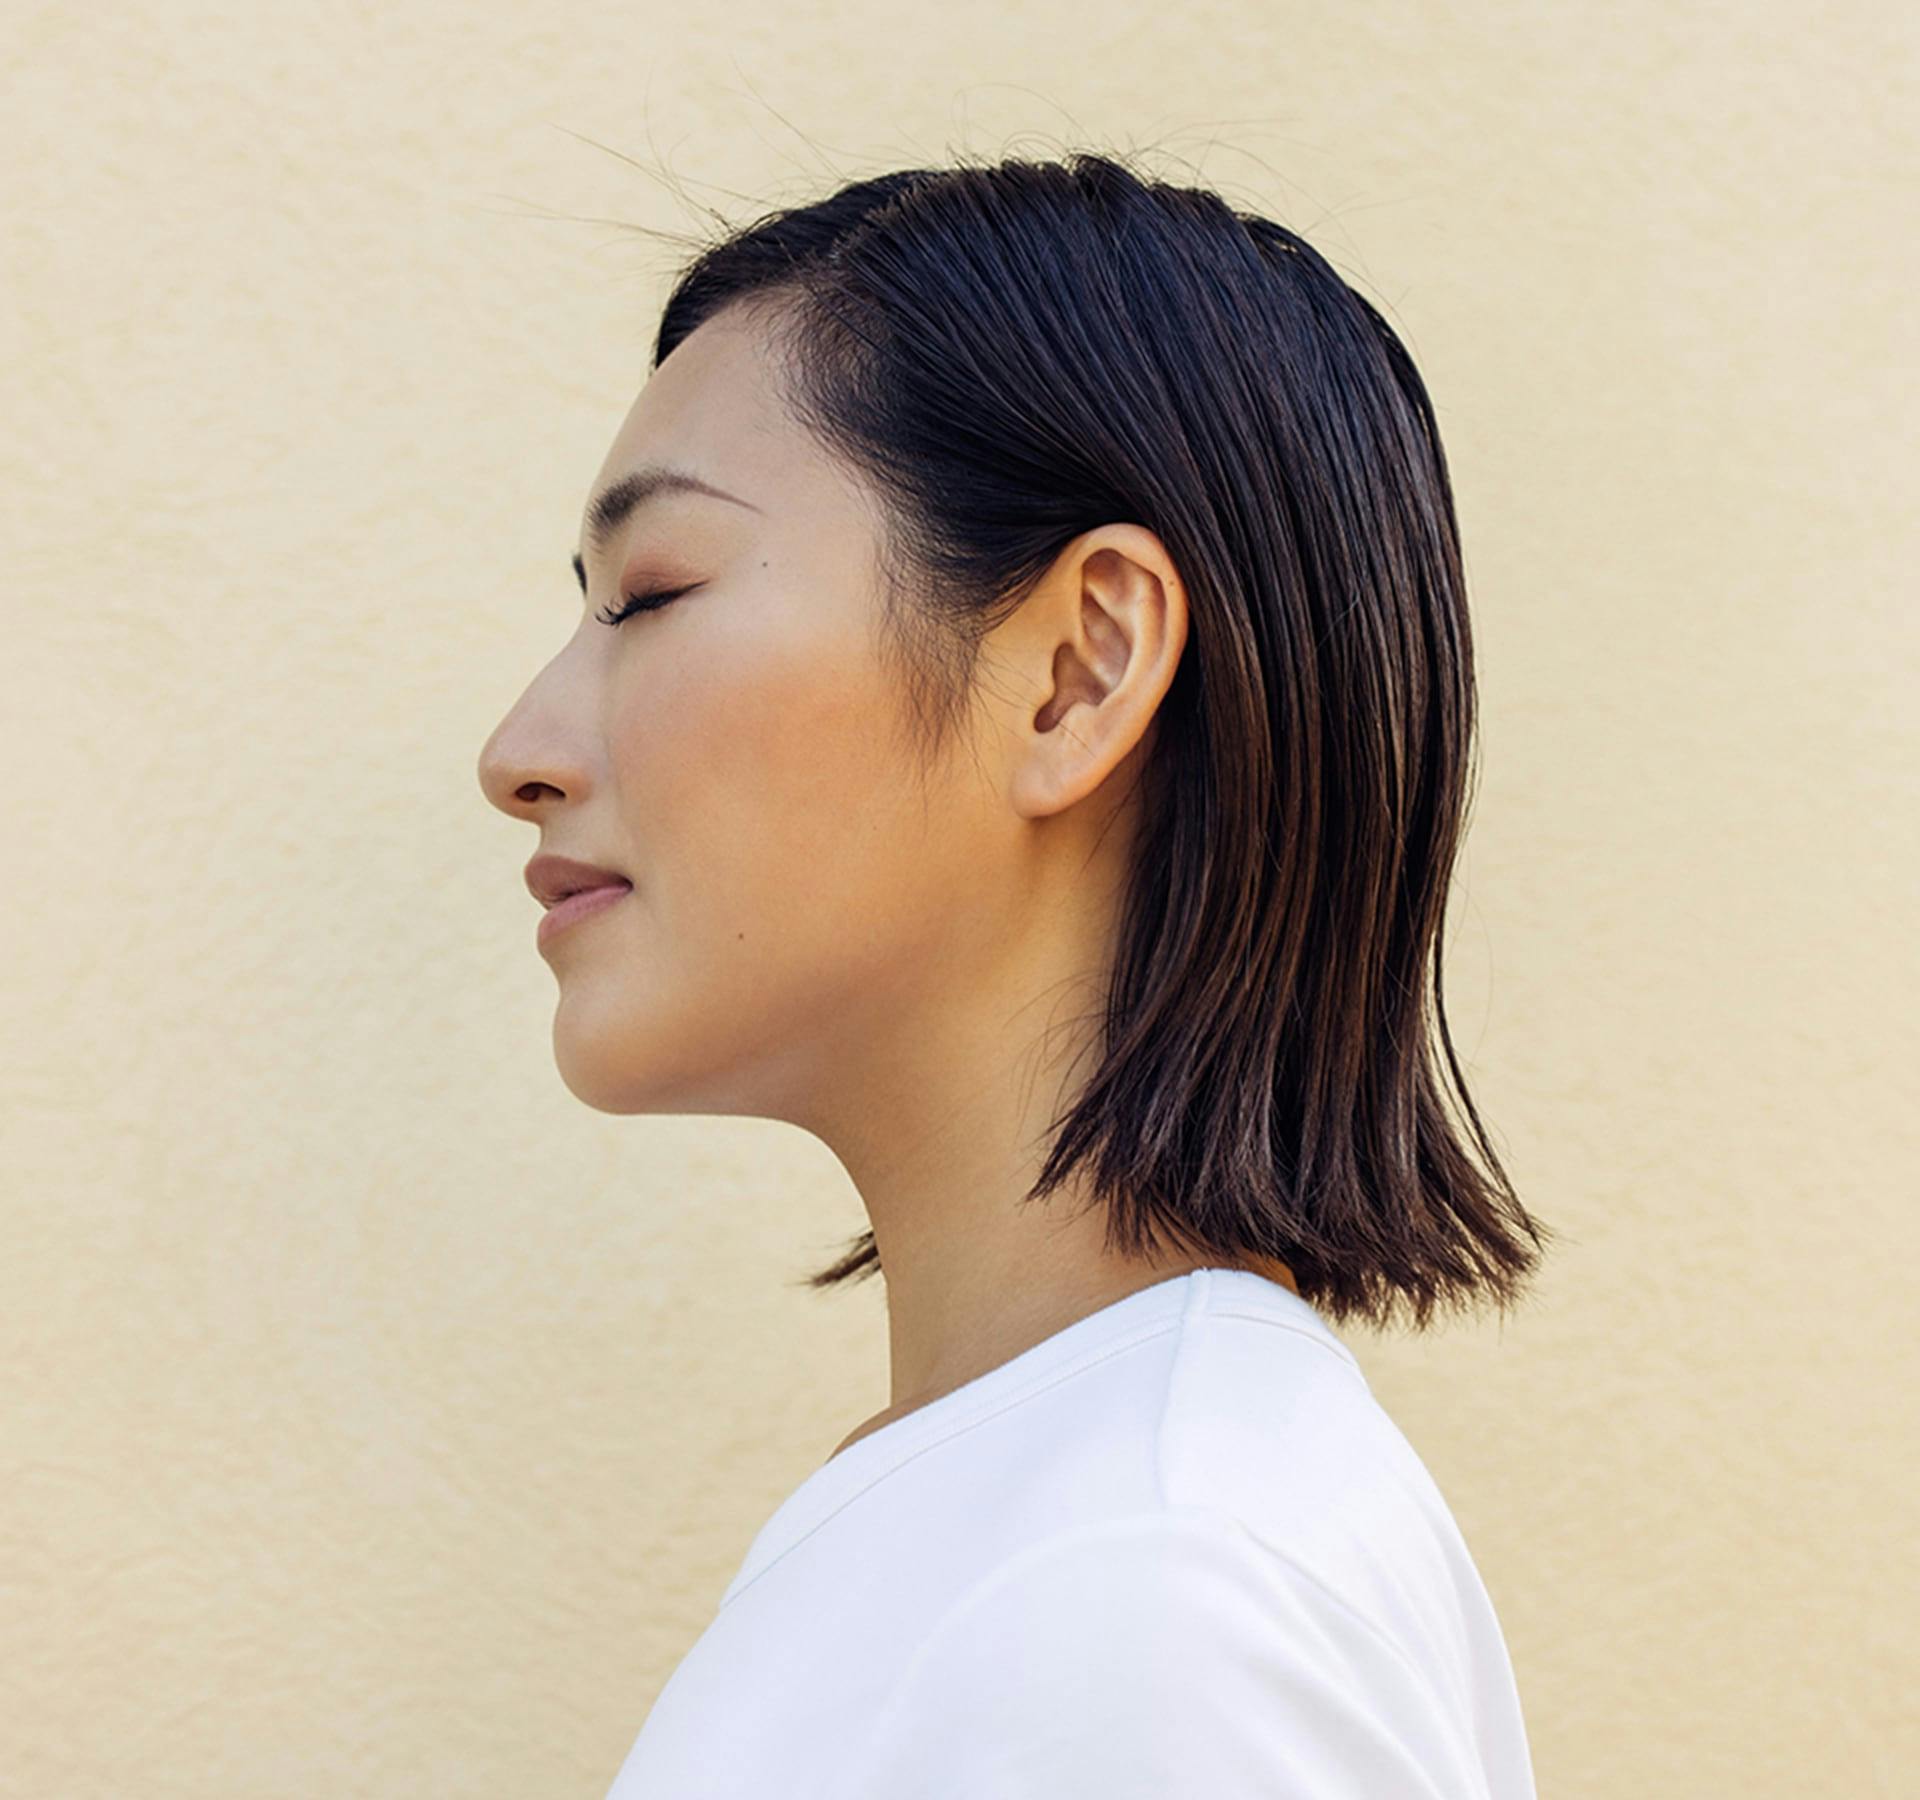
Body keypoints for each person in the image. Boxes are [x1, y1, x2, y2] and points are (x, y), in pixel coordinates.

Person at [477, 147, 1553, 1799]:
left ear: (1077, 671)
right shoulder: (1065, 1519)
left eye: (653, 595)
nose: (521, 753)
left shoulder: (1151, 1583)